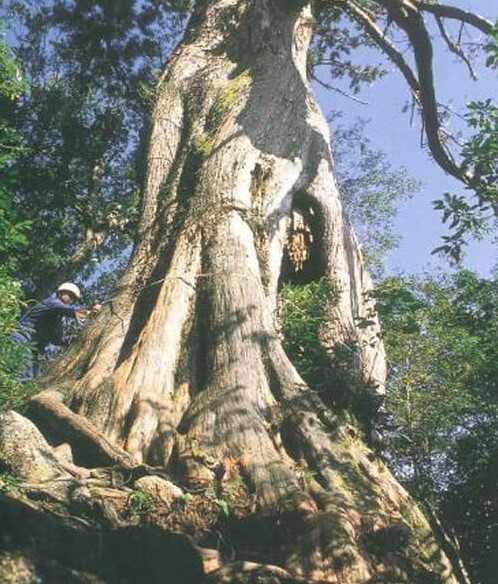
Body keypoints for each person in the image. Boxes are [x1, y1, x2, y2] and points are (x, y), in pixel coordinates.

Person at [11, 282, 102, 380]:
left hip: (35, 350)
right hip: (22, 339)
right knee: (22, 376)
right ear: (61, 293)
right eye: (70, 296)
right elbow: (68, 309)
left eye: (73, 299)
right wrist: (89, 312)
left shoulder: (58, 320)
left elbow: (56, 340)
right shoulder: (51, 302)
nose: (71, 300)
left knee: (33, 379)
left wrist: (73, 339)